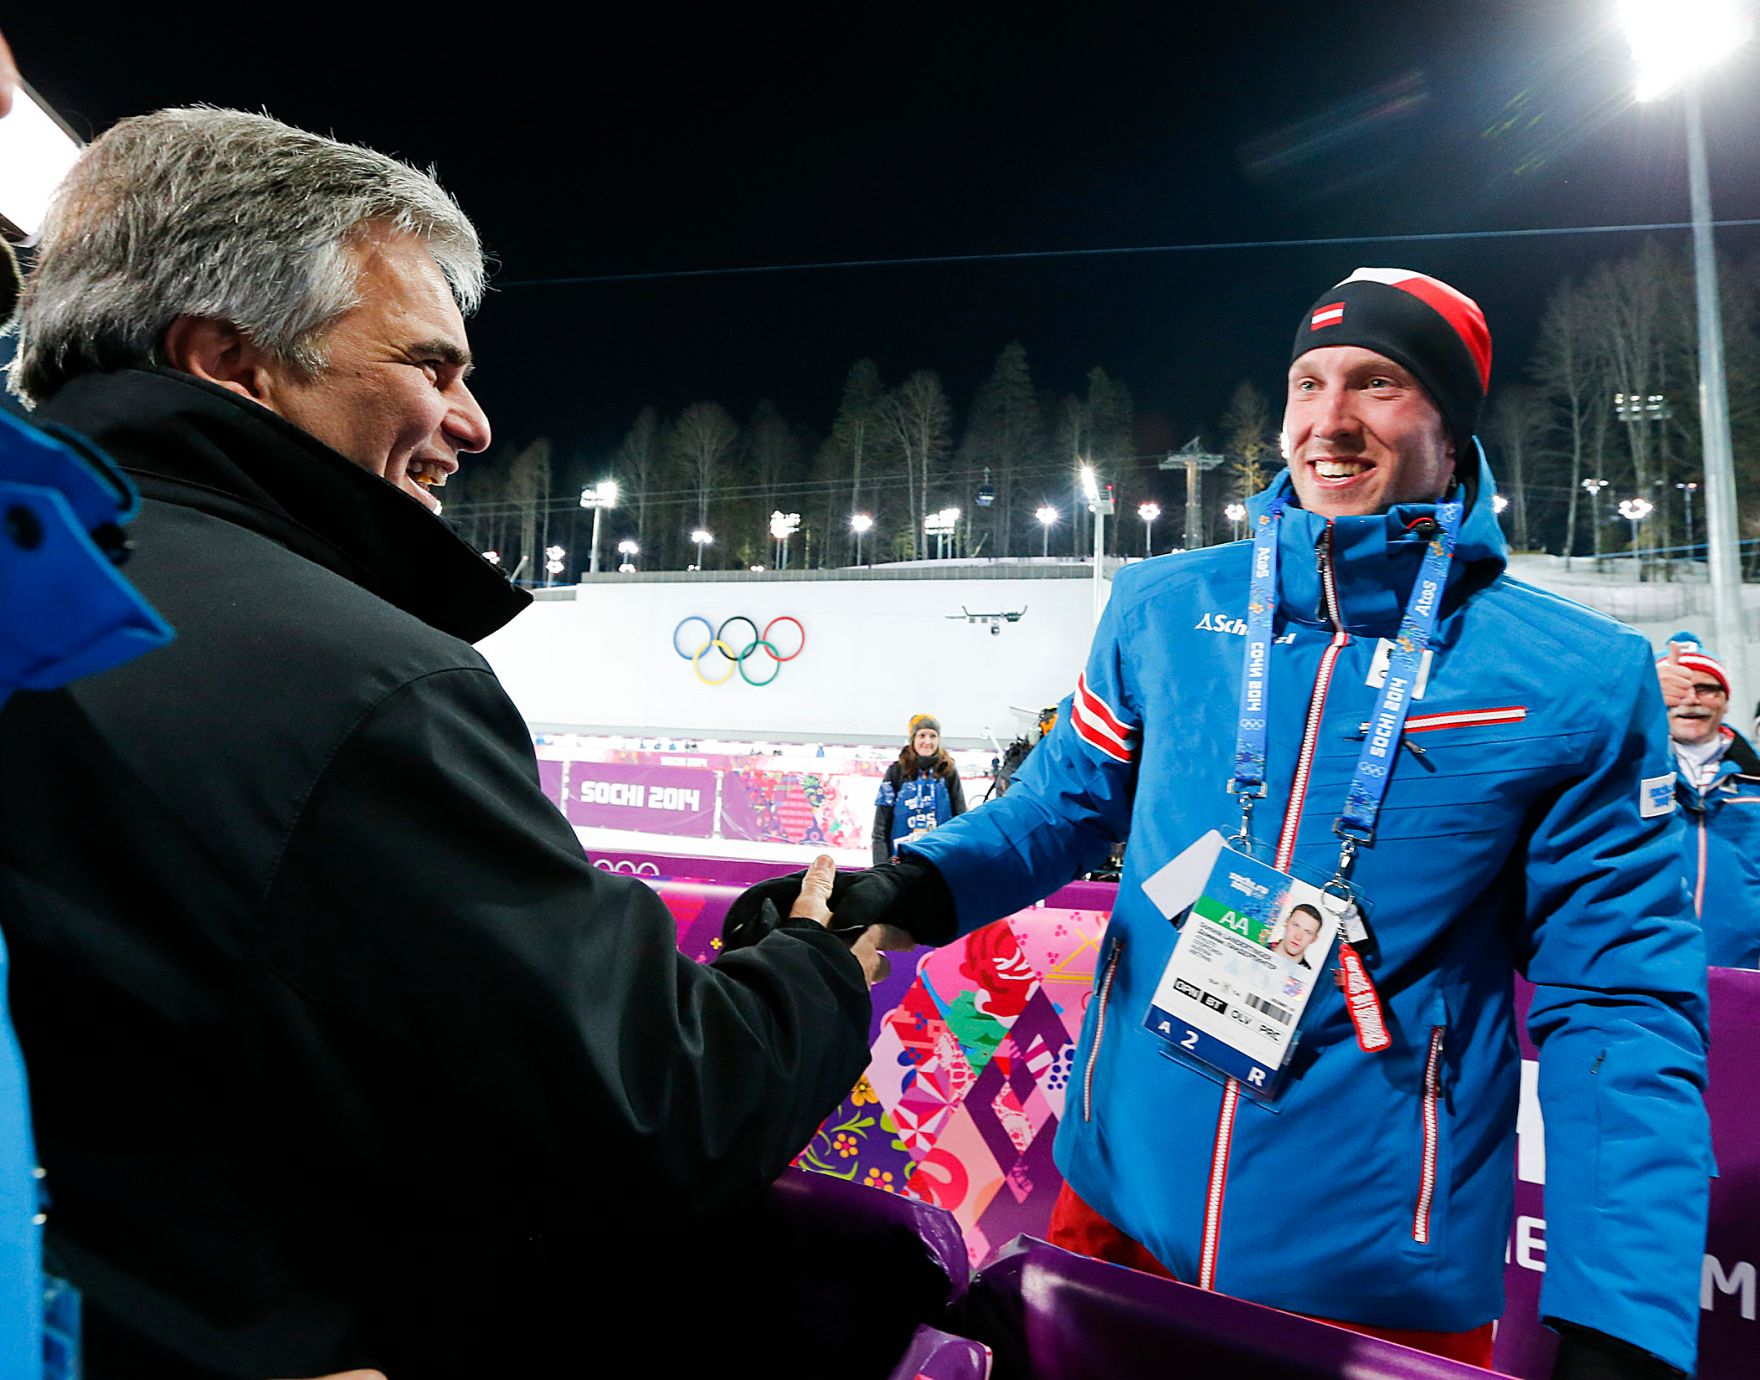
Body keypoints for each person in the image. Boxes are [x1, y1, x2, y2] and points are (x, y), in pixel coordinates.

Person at [0, 108, 886, 1379]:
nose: (470, 423)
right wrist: (819, 967)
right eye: (431, 364)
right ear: (227, 361)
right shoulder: (360, 684)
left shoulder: (44, 580)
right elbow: (658, 1111)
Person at [786, 268, 1710, 1377]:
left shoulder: (1575, 679)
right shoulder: (1162, 608)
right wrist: (912, 886)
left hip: (1372, 1275)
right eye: (1306, 383)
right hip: (1115, 1208)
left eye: (1377, 384)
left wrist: (1621, 1321)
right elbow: (1065, 804)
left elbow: (1618, 1002)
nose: (1328, 420)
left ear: (1449, 419)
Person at [1655, 633, 1760, 967]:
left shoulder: (1754, 777)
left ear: (1726, 701)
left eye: (1706, 688)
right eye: (1677, 689)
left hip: (1743, 969)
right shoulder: (1622, 772)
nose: (1691, 699)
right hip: (1647, 967)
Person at [871, 712, 966, 865]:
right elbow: (880, 827)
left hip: (939, 861)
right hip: (899, 863)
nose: (927, 741)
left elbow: (960, 818)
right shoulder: (895, 772)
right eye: (922, 735)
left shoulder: (948, 771)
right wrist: (881, 866)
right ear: (913, 739)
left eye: (933, 736)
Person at [1267, 903, 1320, 972]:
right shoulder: (1259, 947)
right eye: (1296, 925)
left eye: (1308, 932)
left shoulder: (1309, 976)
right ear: (1286, 922)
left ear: (1314, 939)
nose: (1298, 937)